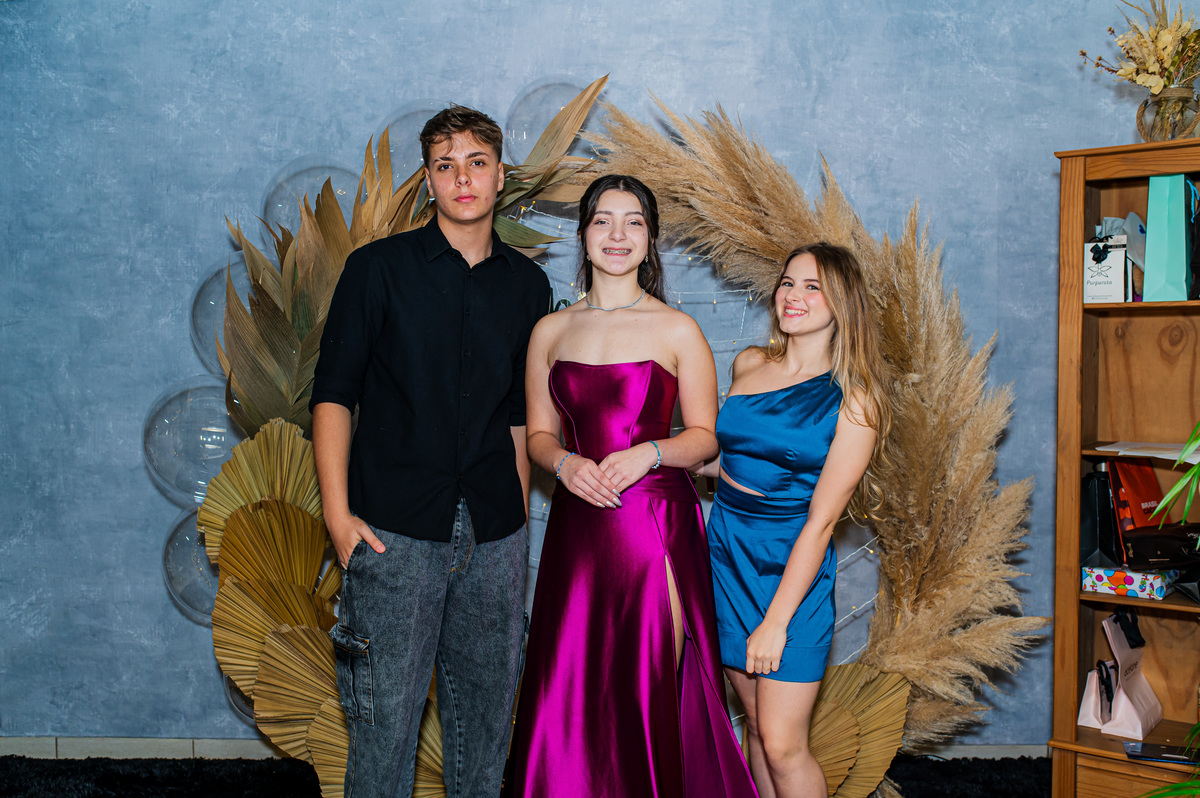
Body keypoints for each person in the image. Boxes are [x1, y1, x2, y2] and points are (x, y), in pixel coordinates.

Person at [309, 105, 550, 798]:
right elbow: (333, 396)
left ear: (500, 176)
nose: (462, 179)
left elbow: (517, 416)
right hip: (393, 531)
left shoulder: (527, 286)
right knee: (383, 732)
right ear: (428, 180)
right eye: (446, 166)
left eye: (476, 163)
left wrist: (515, 527)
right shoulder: (376, 270)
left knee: (485, 733)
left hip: (495, 536)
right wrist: (337, 518)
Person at [510, 174, 758, 798]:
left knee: (643, 690)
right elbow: (538, 436)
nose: (617, 235)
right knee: (567, 689)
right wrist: (564, 465)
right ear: (584, 235)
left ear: (650, 241)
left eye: (634, 223)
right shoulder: (550, 331)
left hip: (652, 532)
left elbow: (706, 437)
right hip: (577, 528)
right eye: (603, 220)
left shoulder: (677, 330)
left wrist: (650, 452)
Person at [696, 242, 890, 798]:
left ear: (843, 303)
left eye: (812, 287)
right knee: (758, 727)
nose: (793, 295)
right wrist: (654, 455)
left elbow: (822, 523)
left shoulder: (855, 400)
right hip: (726, 556)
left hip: (792, 569)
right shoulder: (749, 364)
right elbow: (728, 463)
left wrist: (777, 621)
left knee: (784, 744)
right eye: (787, 282)